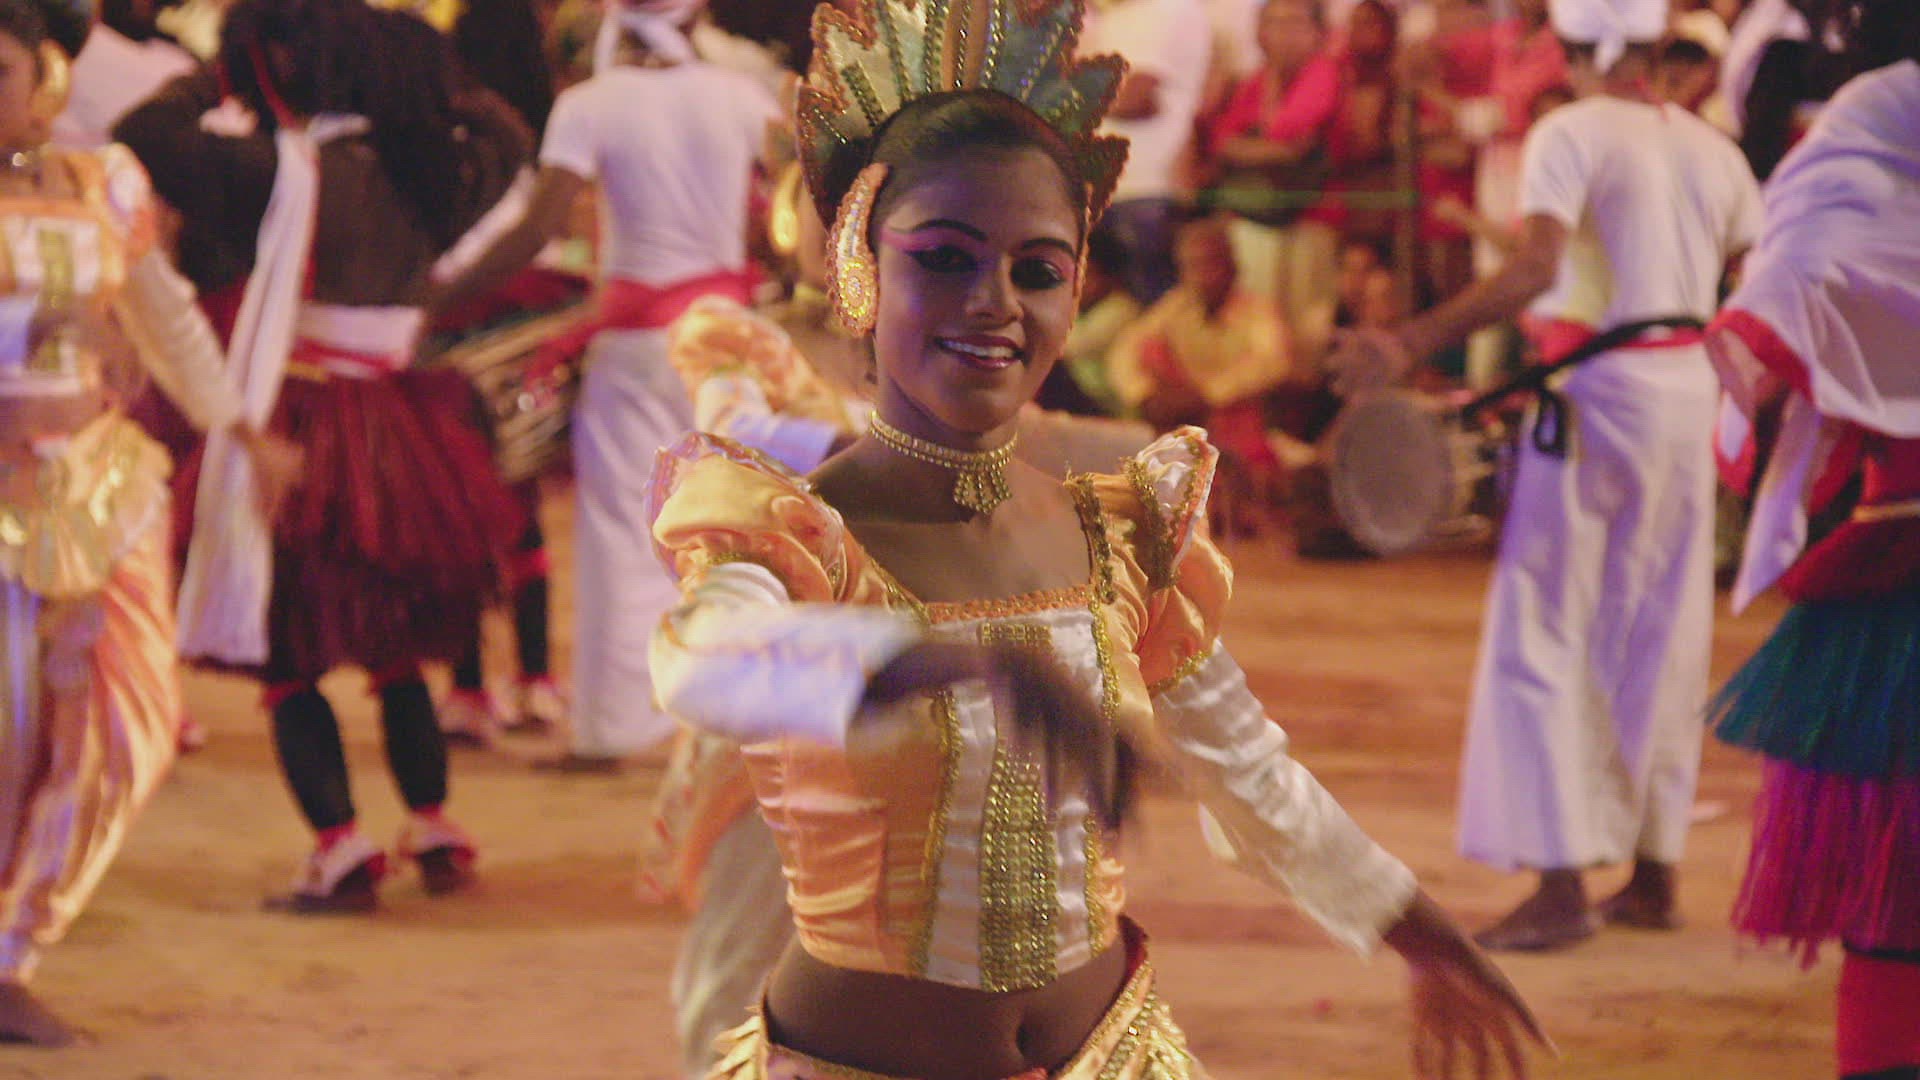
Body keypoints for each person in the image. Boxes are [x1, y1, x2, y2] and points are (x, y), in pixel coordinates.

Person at [648, 1, 1549, 1077]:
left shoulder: (1118, 536)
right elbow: (703, 663)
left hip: (1122, 1052)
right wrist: (946, 661)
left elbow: (1248, 772)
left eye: (1038, 270)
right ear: (857, 265)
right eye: (944, 258)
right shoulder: (791, 532)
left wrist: (1415, 928)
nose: (995, 304)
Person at [1332, 0, 1763, 952]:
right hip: (1686, 393)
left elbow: (1534, 269)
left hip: (1603, 397)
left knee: (1542, 632)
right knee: (1666, 626)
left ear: (1570, 46)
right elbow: (1753, 275)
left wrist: (1409, 339)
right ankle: (1652, 875)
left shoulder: (1570, 131)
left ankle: (1561, 885)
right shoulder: (1712, 148)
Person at [115, 0, 530, 912]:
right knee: (394, 647)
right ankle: (432, 821)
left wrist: (222, 73)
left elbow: (142, 133)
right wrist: (431, 83)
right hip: (404, 430)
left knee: (287, 648)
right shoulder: (436, 171)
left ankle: (339, 847)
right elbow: (509, 132)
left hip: (302, 429)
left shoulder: (277, 170)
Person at [0, 0, 290, 1042]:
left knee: (129, 726)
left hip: (97, 483)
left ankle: (14, 947)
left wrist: (238, 426)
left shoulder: (103, 184)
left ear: (46, 80)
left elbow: (161, 311)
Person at [430, 0, 778, 772]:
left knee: (623, 534)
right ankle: (739, 726)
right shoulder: (743, 99)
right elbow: (793, 207)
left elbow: (536, 228)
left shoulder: (592, 105)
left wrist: (438, 296)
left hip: (637, 349)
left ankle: (613, 731)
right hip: (730, 341)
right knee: (731, 534)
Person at [1702, 3, 1920, 1076]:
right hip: (1896, 586)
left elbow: (1786, 298)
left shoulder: (1865, 138)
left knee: (1894, 891)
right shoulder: (1880, 125)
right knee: (1895, 887)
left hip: (1889, 589)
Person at [1108, 216, 1291, 523]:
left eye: (1211, 264)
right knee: (1151, 353)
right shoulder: (1177, 305)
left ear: (1233, 268)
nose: (1202, 276)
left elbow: (1273, 362)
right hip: (1183, 420)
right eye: (1192, 266)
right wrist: (1144, 395)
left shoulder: (1257, 310)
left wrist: (1207, 395)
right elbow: (1124, 351)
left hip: (1234, 423)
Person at [1204, 0, 1342, 364]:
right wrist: (1273, 150)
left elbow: (1289, 129)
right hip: (1258, 219)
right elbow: (1222, 141)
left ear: (1317, 32)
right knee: (1261, 327)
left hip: (1312, 220)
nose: (1282, 34)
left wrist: (1252, 145)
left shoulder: (1324, 72)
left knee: (1305, 329)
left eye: (1294, 23)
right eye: (1273, 23)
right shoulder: (1256, 81)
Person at [1080, 0, 1212, 304]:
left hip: (1149, 189)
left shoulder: (1166, 9)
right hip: (1107, 192)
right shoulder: (1111, 17)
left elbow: (1134, 98)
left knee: (1158, 308)